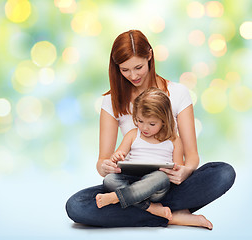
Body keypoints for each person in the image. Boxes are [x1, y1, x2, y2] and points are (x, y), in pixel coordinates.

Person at [66, 30, 236, 229]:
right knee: (76, 206)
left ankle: (146, 209)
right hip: (127, 182)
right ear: (116, 68)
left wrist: (185, 171)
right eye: (125, 70)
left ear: (150, 56)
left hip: (167, 183)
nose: (133, 75)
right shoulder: (110, 102)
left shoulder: (178, 93)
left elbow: (192, 157)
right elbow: (102, 162)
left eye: (138, 67)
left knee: (223, 173)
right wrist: (106, 166)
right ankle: (168, 214)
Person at [96, 88, 184, 221]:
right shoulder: (133, 134)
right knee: (109, 180)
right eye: (140, 121)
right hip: (132, 181)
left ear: (164, 121)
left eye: (152, 124)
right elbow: (118, 156)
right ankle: (150, 208)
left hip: (155, 187)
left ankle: (116, 197)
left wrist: (175, 170)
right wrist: (117, 157)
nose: (144, 128)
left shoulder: (174, 140)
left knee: (161, 177)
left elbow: (179, 169)